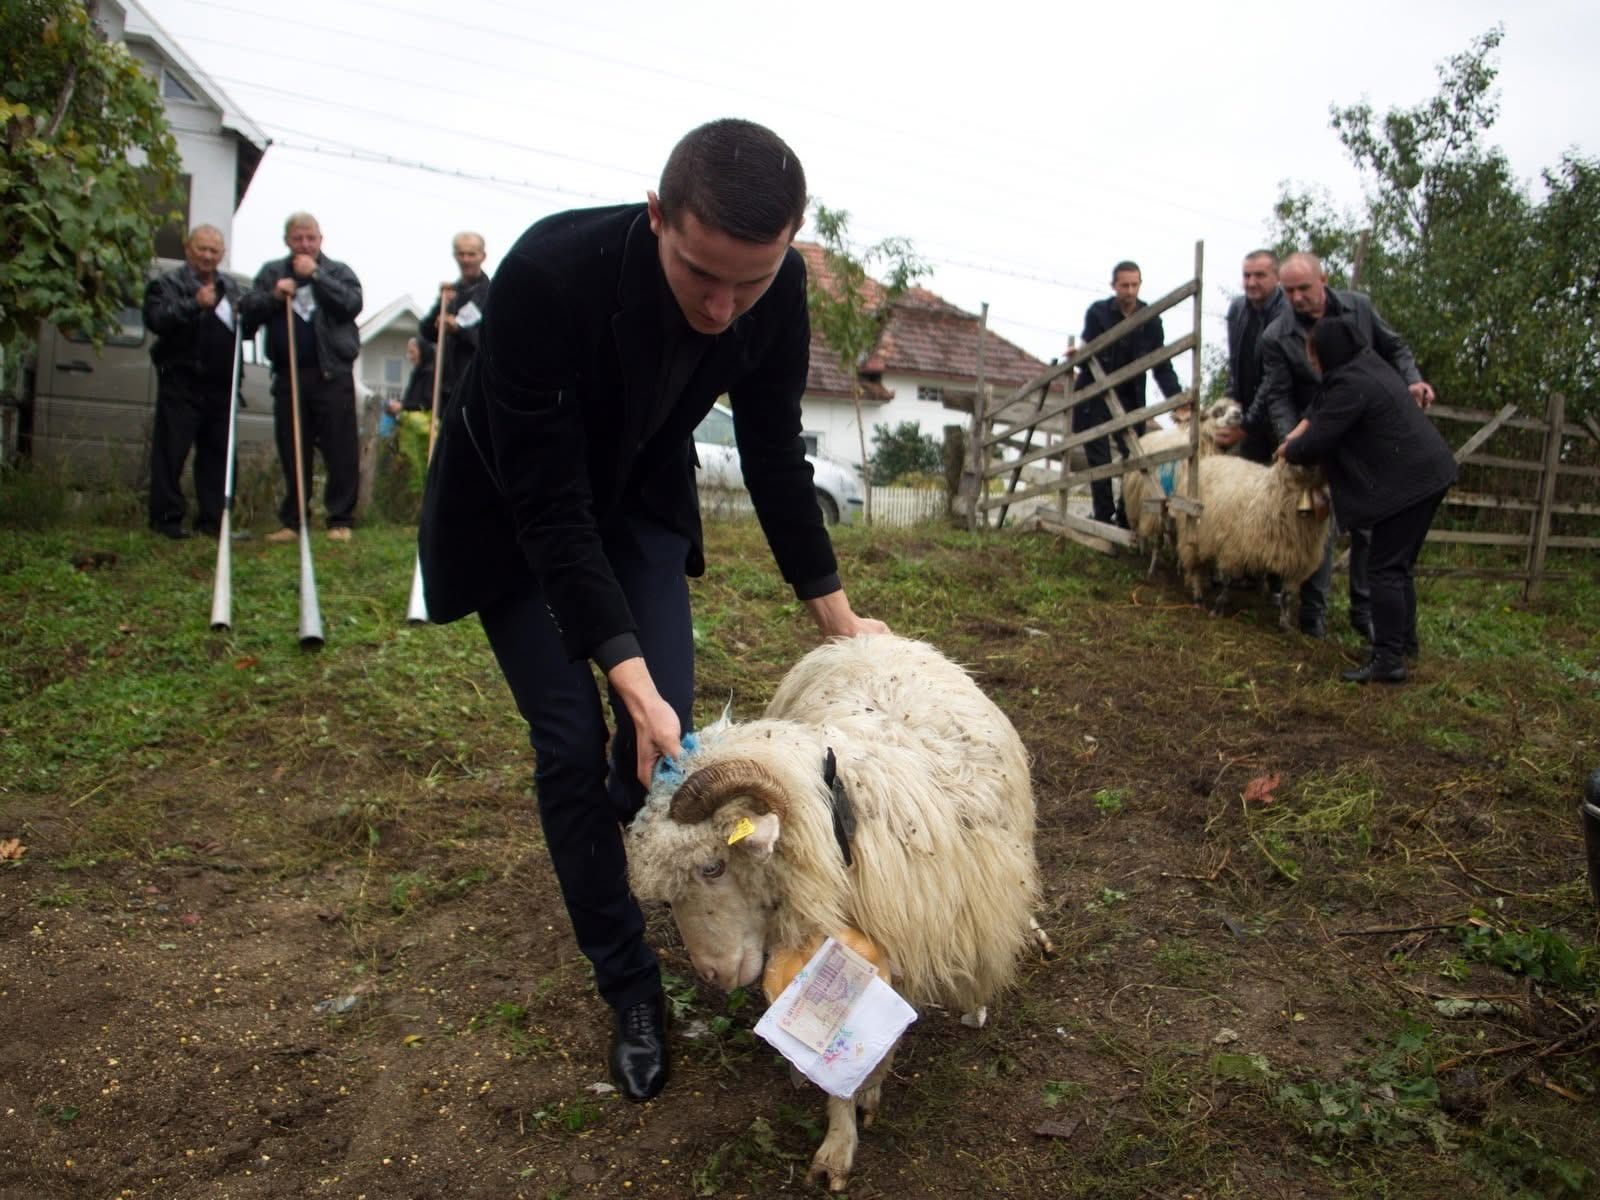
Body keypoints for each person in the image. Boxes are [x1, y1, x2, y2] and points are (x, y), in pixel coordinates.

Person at [418, 119, 887, 1104]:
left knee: (663, 767)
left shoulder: (777, 288)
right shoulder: (547, 274)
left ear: (786, 247)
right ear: (655, 219)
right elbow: (549, 508)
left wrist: (833, 613)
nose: (723, 309)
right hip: (514, 518)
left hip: (637, 503)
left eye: (748, 284)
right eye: (699, 276)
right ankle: (629, 986)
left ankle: (720, 920)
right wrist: (620, 677)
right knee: (569, 742)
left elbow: (769, 453)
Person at [1248, 252, 1435, 639]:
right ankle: (1312, 614)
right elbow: (1278, 395)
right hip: (1317, 442)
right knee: (1315, 522)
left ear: (1324, 280)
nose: (1298, 297)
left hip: (1367, 438)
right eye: (1290, 290)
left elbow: (1395, 347)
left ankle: (1364, 613)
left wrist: (1412, 379)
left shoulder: (1360, 308)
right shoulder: (1277, 336)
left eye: (1304, 288)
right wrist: (1291, 440)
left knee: (1371, 526)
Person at [1278, 317, 1456, 683]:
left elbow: (1317, 441)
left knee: (1385, 568)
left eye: (1313, 353)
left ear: (1326, 352)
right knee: (1399, 567)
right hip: (1430, 475)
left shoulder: (1351, 384)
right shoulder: (1366, 366)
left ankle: (1389, 660)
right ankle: (1403, 646)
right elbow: (1321, 407)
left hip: (1412, 484)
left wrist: (1290, 450)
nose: (1311, 361)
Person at [240, 212, 364, 543]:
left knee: (340, 451)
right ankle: (294, 521)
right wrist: (274, 297)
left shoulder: (338, 271)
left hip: (332, 374)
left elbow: (352, 304)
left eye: (311, 238)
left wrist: (318, 277)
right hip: (290, 375)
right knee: (293, 447)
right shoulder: (272, 273)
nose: (305, 244)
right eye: (298, 238)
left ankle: (340, 518)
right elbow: (248, 311)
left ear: (321, 239)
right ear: (287, 241)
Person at [142, 224, 240, 540]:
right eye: (202, 249)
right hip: (182, 382)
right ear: (188, 249)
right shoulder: (167, 283)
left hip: (222, 386)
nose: (208, 256)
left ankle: (213, 522)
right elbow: (157, 320)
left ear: (222, 254)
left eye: (214, 251)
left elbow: (246, 325)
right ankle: (166, 521)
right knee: (171, 453)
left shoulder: (231, 288)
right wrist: (194, 303)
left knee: (217, 456)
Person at [1074, 261, 1184, 526]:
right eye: (1125, 285)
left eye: (1135, 285)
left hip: (1130, 396)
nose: (1130, 291)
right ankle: (1103, 516)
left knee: (1133, 455)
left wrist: (1177, 401)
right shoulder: (1098, 313)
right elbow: (1087, 353)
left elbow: (1161, 363)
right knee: (1098, 456)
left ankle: (1125, 516)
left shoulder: (1150, 318)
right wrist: (1078, 356)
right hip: (1096, 393)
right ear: (1114, 286)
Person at [1215, 250, 1287, 464]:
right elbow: (1235, 361)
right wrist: (1231, 404)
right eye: (1247, 276)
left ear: (1277, 277)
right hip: (1247, 412)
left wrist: (1247, 426)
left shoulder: (1286, 313)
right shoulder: (1238, 308)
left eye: (1260, 275)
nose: (1252, 282)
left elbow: (1274, 377)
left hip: (1279, 414)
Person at [417, 231, 491, 413]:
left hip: (475, 386)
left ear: (482, 256)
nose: (466, 259)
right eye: (461, 254)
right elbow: (427, 332)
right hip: (445, 388)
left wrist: (459, 330)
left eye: (471, 254)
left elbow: (491, 340)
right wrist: (441, 306)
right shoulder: (451, 293)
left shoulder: (490, 294)